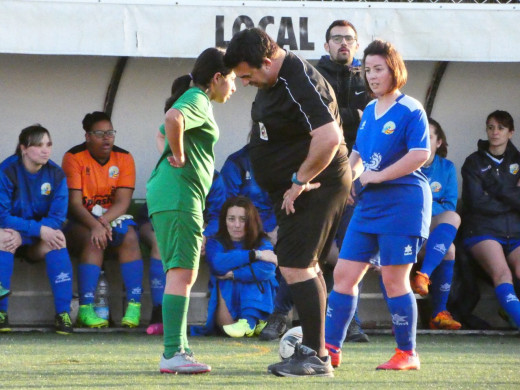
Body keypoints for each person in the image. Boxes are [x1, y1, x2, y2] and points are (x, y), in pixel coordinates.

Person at [224, 28, 351, 378]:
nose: (245, 82)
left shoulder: (300, 80)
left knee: (295, 266)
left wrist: (299, 180)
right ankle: (317, 351)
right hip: (296, 189)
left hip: (316, 186)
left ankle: (315, 356)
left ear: (267, 61)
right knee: (305, 265)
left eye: (248, 75)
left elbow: (328, 137)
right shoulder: (273, 80)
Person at [324, 39, 431, 371]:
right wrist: (348, 181)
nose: (371, 76)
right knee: (343, 274)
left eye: (378, 69)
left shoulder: (411, 108)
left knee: (393, 280)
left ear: (393, 69)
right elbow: (357, 155)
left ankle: (407, 353)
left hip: (403, 203)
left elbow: (420, 154)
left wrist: (378, 176)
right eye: (367, 70)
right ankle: (328, 349)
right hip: (369, 204)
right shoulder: (369, 111)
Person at [146, 47, 236, 374]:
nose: (234, 87)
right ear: (216, 78)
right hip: (180, 194)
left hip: (174, 193)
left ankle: (179, 347)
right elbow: (172, 120)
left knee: (181, 272)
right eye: (232, 79)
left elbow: (162, 132)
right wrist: (180, 157)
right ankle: (172, 353)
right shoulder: (198, 99)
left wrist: (172, 149)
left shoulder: (196, 98)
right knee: (183, 272)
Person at [316, 19, 372, 343]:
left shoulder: (366, 77)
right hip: (321, 173)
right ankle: (285, 315)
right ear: (326, 45)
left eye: (349, 39)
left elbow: (371, 118)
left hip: (356, 175)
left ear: (356, 44)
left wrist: (338, 118)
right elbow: (320, 121)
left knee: (354, 251)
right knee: (313, 249)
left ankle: (352, 322)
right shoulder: (314, 75)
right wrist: (352, 117)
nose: (343, 44)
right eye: (337, 38)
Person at [62, 111, 144, 329]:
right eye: (100, 133)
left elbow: (123, 202)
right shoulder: (73, 157)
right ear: (87, 136)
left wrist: (103, 223)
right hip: (81, 223)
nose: (107, 138)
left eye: (110, 132)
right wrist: (96, 226)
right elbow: (75, 204)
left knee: (129, 236)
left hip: (111, 220)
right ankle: (86, 309)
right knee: (93, 239)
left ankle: (134, 306)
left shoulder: (124, 158)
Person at [0, 125, 73, 334]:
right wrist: (34, 231)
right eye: (38, 145)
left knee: (58, 238)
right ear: (24, 148)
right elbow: (2, 216)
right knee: (4, 237)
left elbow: (58, 218)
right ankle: (1, 313)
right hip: (11, 234)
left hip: (35, 238)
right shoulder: (7, 171)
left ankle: (63, 314)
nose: (45, 150)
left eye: (48, 144)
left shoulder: (56, 174)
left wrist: (36, 232)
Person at [460, 110, 520, 330]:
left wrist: (494, 190)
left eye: (501, 128)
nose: (495, 132)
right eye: (491, 127)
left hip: (514, 231)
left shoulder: (519, 160)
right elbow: (475, 202)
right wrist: (511, 194)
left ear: (510, 133)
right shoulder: (473, 162)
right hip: (482, 230)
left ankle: (511, 312)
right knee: (502, 273)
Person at [196, 196, 277, 337]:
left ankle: (249, 321)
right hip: (228, 301)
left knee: (255, 275)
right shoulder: (215, 243)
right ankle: (254, 322)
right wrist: (254, 255)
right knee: (246, 273)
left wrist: (235, 274)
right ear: (224, 221)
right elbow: (217, 264)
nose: (237, 225)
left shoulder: (261, 240)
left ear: (251, 221)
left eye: (243, 219)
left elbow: (268, 268)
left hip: (255, 293)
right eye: (231, 219)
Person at [411, 118, 461, 330]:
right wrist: (430, 203)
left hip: (431, 227)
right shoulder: (408, 164)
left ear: (439, 142)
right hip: (410, 228)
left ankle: (437, 309)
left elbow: (449, 204)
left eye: (430, 137)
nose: (425, 140)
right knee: (448, 249)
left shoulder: (446, 167)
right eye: (422, 136)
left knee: (451, 236)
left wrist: (426, 205)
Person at [135, 202, 165, 335]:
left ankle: (176, 314)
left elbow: (212, 216)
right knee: (160, 243)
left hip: (191, 221)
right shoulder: (165, 181)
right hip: (155, 218)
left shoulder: (210, 183)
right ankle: (159, 310)